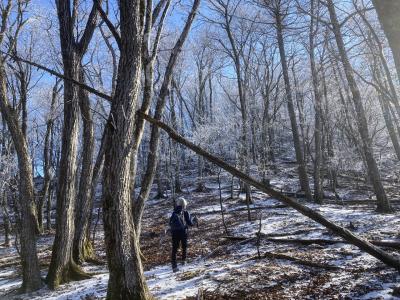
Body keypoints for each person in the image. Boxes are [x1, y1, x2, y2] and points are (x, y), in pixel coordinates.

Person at [169, 197, 197, 272]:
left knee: (174, 248)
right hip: (183, 232)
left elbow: (170, 223)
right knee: (184, 246)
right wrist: (194, 221)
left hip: (174, 232)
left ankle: (174, 266)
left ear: (178, 203)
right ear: (184, 204)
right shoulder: (185, 212)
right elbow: (189, 223)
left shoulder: (174, 212)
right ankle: (183, 261)